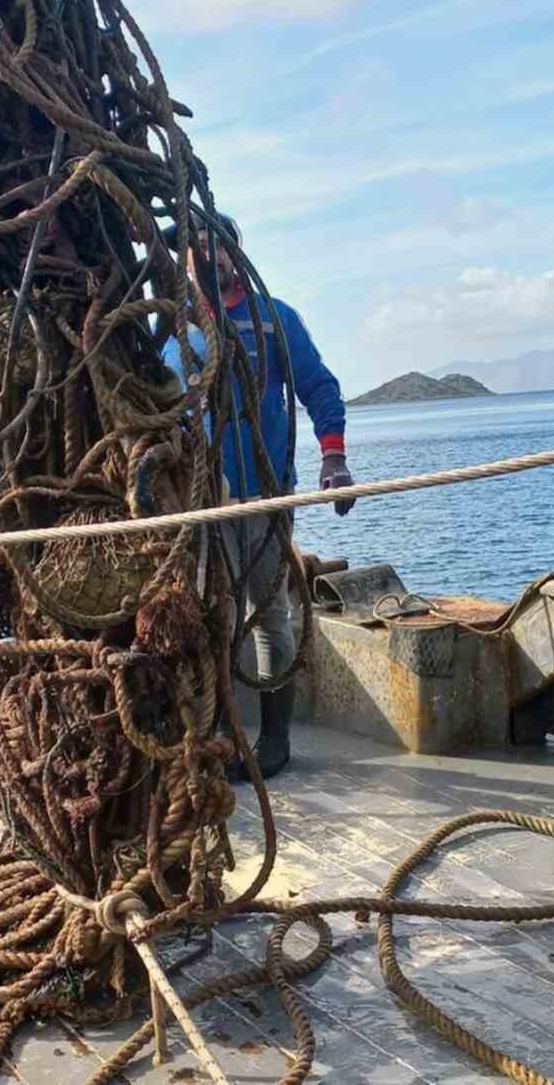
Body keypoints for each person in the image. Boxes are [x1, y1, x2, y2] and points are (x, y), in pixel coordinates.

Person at [166, 211, 355, 782]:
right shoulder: (173, 332)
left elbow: (319, 386)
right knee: (209, 615)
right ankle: (223, 734)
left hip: (267, 495)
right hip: (202, 503)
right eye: (195, 248)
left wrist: (334, 458)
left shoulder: (274, 321)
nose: (208, 255)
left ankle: (274, 741)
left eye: (217, 245)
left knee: (269, 612)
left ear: (235, 251)